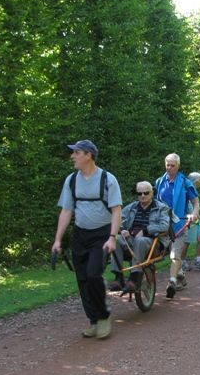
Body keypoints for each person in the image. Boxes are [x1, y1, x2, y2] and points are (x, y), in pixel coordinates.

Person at [52, 140, 122, 339]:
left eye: (76, 153)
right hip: (80, 235)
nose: (72, 156)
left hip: (102, 234)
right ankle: (93, 320)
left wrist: (112, 237)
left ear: (88, 155)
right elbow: (66, 211)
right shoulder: (71, 180)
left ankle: (103, 316)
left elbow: (116, 211)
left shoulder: (108, 179)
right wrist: (58, 240)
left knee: (93, 275)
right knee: (82, 279)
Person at [109, 181, 172, 293]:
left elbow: (164, 226)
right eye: (139, 193)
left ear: (152, 193)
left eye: (146, 193)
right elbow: (118, 220)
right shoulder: (131, 207)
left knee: (140, 240)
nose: (142, 196)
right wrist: (122, 229)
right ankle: (118, 278)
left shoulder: (161, 208)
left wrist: (146, 231)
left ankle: (135, 278)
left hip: (153, 243)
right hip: (131, 240)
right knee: (116, 239)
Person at [154, 153, 200, 298]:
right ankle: (180, 275)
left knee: (175, 255)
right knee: (166, 254)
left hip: (179, 223)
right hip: (162, 225)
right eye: (167, 164)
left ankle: (172, 282)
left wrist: (194, 214)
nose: (169, 168)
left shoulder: (186, 183)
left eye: (172, 165)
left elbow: (195, 202)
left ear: (178, 166)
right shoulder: (159, 182)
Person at [181, 172, 200, 272]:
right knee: (186, 242)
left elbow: (195, 209)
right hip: (189, 221)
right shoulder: (187, 191)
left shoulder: (194, 191)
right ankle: (182, 262)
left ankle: (198, 259)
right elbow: (190, 210)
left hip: (196, 221)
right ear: (195, 181)